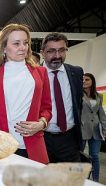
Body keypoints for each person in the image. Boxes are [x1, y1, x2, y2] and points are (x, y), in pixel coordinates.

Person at [0, 24, 52, 164]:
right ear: (4, 47)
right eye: (16, 43)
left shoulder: (41, 73)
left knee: (35, 185)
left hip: (32, 146)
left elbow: (46, 108)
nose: (23, 47)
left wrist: (41, 124)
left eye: (26, 43)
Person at [40, 32, 84, 163]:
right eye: (51, 51)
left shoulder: (76, 72)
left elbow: (78, 103)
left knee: (71, 182)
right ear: (43, 52)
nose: (57, 56)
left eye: (61, 50)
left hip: (69, 140)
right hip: (42, 139)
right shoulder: (33, 75)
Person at [81, 73, 106, 182]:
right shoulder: (78, 94)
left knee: (95, 156)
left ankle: (95, 180)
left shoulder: (98, 96)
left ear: (92, 81)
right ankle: (81, 178)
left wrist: (105, 129)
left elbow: (101, 114)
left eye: (87, 79)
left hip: (96, 130)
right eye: (82, 80)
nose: (84, 81)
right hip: (81, 129)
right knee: (79, 154)